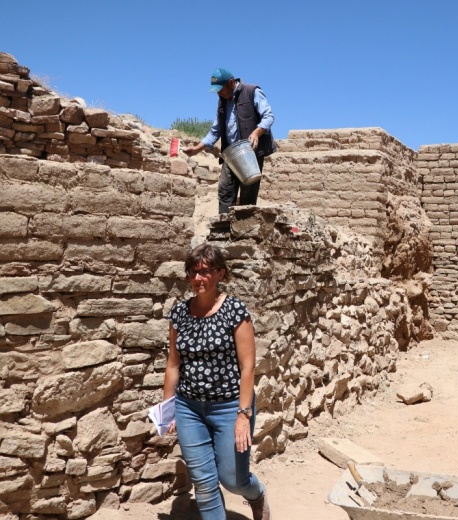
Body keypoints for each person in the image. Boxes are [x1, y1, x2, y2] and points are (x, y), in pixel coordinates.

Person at [163, 243, 271, 520]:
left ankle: (255, 493)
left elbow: (248, 367)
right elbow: (174, 363)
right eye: (193, 272)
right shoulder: (179, 314)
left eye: (205, 272)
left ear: (220, 274)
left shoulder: (234, 311)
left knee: (233, 480)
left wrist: (243, 415)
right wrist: (168, 406)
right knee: (204, 483)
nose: (198, 278)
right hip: (189, 408)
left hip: (230, 407)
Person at [184, 68, 276, 214]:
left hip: (250, 153)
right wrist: (197, 149)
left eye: (220, 89)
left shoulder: (252, 91)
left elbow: (268, 117)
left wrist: (256, 133)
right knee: (225, 191)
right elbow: (216, 130)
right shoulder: (222, 102)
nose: (218, 93)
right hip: (231, 154)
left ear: (231, 83)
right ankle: (223, 232)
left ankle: (245, 233)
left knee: (248, 194)